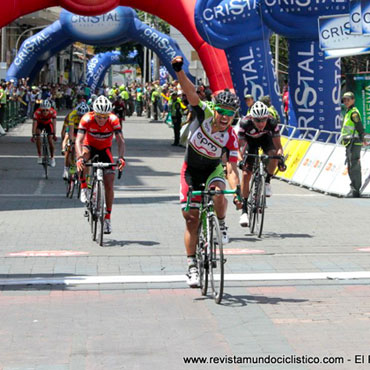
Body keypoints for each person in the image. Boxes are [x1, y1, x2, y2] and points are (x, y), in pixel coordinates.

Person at [171, 55, 242, 288]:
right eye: (222, 111)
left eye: (230, 114)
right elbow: (192, 94)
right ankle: (191, 265)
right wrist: (179, 71)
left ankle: (221, 225)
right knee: (191, 219)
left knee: (219, 193)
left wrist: (238, 189)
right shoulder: (205, 114)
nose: (224, 117)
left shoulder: (231, 135)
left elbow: (231, 166)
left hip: (212, 169)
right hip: (190, 170)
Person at [75, 95, 126, 234]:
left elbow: (121, 141)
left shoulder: (113, 120)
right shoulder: (86, 119)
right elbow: (78, 140)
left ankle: (108, 218)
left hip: (105, 149)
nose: (102, 120)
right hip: (89, 146)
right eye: (99, 117)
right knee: (83, 159)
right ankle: (84, 186)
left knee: (109, 184)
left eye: (104, 117)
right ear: (94, 113)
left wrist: (121, 158)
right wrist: (79, 158)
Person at [238, 101, 285, 227]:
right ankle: (244, 211)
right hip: (249, 142)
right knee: (246, 174)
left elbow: (279, 146)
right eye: (258, 120)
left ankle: (268, 181)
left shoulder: (272, 122)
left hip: (265, 139)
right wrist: (242, 159)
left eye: (263, 120)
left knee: (273, 154)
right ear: (252, 118)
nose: (261, 123)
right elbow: (240, 146)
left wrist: (280, 158)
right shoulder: (244, 123)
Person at [341, 91, 368, 198]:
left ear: (353, 100)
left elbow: (359, 127)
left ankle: (356, 190)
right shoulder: (348, 112)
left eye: (348, 99)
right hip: (349, 143)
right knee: (351, 166)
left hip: (354, 142)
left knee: (354, 166)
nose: (346, 102)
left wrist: (363, 139)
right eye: (344, 100)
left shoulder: (354, 113)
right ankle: (353, 188)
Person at [62, 102, 90, 179]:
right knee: (69, 147)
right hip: (74, 129)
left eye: (83, 116)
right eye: (80, 115)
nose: (81, 117)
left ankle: (87, 177)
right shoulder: (72, 115)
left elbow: (89, 131)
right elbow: (70, 130)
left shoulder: (89, 117)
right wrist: (72, 140)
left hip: (83, 131)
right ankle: (66, 169)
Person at [31, 100, 57, 167]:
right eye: (43, 110)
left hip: (48, 124)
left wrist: (54, 134)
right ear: (40, 110)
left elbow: (54, 124)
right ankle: (39, 155)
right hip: (40, 124)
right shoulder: (37, 112)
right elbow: (34, 125)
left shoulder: (53, 112)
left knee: (50, 141)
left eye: (46, 110)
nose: (45, 112)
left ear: (49, 110)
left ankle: (52, 158)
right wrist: (33, 135)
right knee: (38, 136)